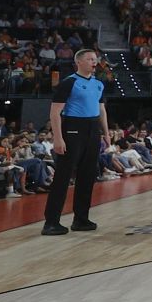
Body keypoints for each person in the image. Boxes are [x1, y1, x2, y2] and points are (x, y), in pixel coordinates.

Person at [42, 49, 109, 235]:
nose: (94, 62)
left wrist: (106, 133)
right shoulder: (69, 82)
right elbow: (55, 112)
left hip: (93, 129)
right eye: (90, 59)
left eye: (95, 59)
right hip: (73, 128)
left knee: (88, 176)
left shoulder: (98, 84)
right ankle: (51, 222)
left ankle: (81, 219)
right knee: (63, 176)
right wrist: (58, 138)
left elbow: (101, 109)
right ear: (78, 62)